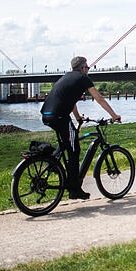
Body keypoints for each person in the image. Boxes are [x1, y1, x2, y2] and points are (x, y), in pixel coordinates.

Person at [40, 56, 121, 200]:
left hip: (47, 115)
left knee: (67, 144)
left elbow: (71, 101)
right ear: (83, 68)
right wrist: (113, 115)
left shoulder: (67, 77)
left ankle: (55, 165)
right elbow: (99, 98)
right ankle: (75, 189)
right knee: (74, 150)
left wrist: (77, 117)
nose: (88, 70)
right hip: (60, 117)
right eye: (88, 67)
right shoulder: (83, 78)